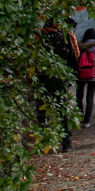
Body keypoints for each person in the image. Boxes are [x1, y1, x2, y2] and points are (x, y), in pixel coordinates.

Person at [37, 21, 78, 152]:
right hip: (60, 75)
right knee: (62, 109)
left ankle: (43, 143)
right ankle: (66, 142)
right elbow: (75, 53)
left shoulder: (39, 34)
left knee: (41, 109)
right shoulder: (67, 34)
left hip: (42, 75)